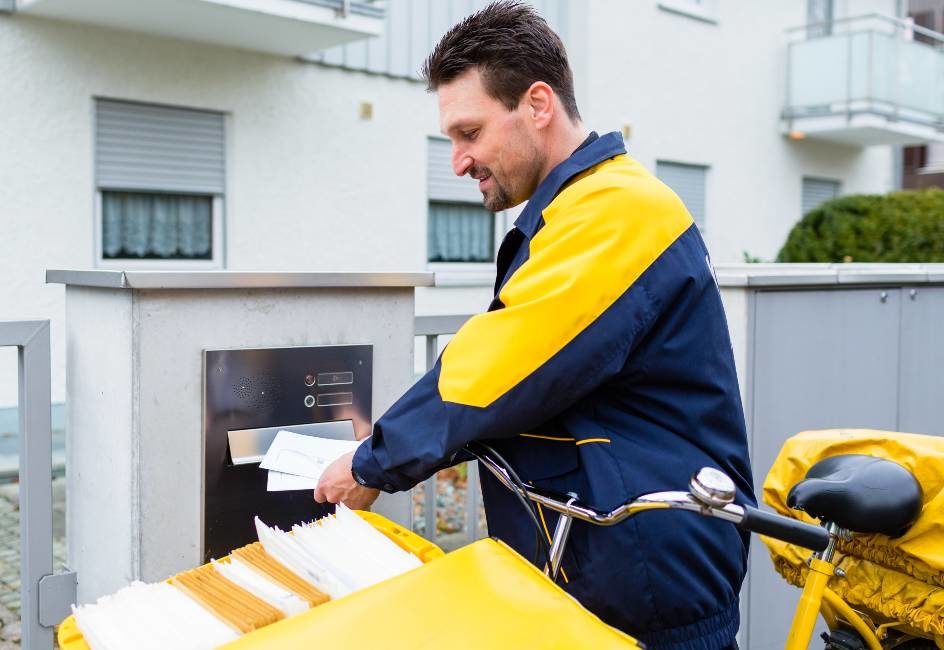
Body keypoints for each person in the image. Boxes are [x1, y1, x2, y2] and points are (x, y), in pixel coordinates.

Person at [315, 2, 755, 648]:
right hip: (612, 560)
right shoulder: (580, 212)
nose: (459, 161)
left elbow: (500, 368)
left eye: (469, 133)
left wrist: (373, 462)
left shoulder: (619, 212)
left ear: (538, 104)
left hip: (648, 575)